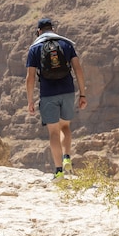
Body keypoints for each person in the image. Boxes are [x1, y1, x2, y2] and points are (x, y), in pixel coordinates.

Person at [25, 17, 87, 179]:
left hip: (48, 94)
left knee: (53, 132)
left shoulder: (35, 48)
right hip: (67, 91)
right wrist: (82, 94)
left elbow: (30, 77)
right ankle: (67, 157)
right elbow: (78, 70)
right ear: (52, 29)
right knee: (65, 127)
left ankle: (58, 171)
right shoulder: (66, 44)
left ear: (39, 31)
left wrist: (30, 100)